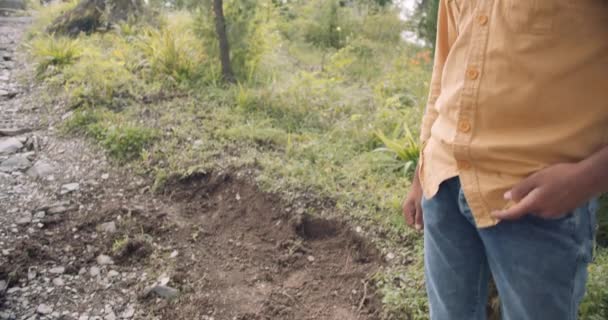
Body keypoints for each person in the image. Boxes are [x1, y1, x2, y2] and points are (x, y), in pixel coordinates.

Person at [401, 1, 608, 319]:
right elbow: (444, 67)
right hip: (443, 182)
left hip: (537, 198)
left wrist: (588, 178)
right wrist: (422, 168)